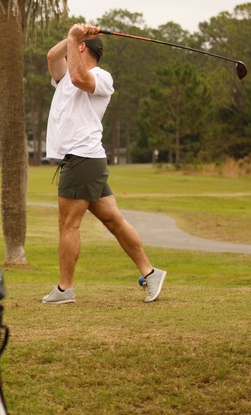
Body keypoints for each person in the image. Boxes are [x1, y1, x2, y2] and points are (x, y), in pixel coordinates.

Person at [41, 22, 167, 304]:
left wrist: (75, 37)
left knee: (68, 225)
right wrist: (73, 35)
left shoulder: (101, 77)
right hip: (85, 160)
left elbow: (78, 77)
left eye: (76, 44)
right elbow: (52, 57)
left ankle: (65, 289)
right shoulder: (63, 75)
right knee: (114, 221)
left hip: (82, 158)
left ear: (82, 48)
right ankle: (151, 272)